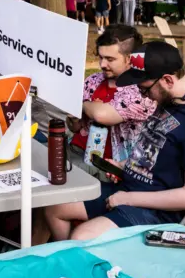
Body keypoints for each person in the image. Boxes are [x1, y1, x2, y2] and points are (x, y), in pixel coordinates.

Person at [45, 41, 185, 242]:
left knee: (83, 236)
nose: (144, 95)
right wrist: (125, 166)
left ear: (167, 80)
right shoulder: (172, 99)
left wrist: (128, 199)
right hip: (128, 189)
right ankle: (66, 261)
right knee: (54, 206)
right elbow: (157, 153)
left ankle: (80, 264)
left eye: (144, 89)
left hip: (158, 212)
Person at [65, 25, 156, 178]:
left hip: (108, 166)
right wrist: (74, 117)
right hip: (76, 149)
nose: (102, 64)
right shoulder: (93, 80)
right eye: (101, 57)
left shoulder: (141, 90)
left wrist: (80, 104)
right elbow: (75, 127)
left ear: (129, 59)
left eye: (110, 59)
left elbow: (101, 115)